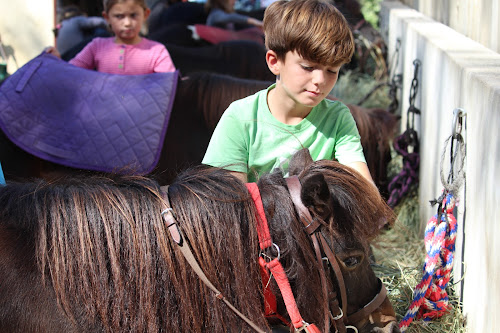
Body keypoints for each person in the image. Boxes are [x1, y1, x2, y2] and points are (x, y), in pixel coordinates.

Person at [202, 0, 376, 187]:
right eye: (308, 67)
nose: (320, 80)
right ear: (274, 61)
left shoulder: (338, 118)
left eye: (332, 71)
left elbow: (365, 190)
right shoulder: (239, 119)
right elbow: (231, 203)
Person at [47, 0, 175, 74]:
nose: (127, 23)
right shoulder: (97, 46)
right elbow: (72, 72)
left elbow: (169, 86)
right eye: (119, 16)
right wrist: (57, 59)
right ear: (107, 18)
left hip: (141, 118)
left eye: (133, 15)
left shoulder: (156, 51)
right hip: (103, 116)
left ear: (146, 15)